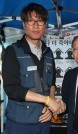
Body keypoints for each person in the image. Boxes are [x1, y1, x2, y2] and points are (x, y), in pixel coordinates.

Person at [2, 3, 65, 134]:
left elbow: (51, 83)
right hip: (20, 125)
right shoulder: (12, 51)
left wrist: (50, 106)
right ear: (24, 24)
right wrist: (47, 100)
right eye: (30, 21)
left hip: (44, 123)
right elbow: (12, 89)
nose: (36, 26)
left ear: (45, 25)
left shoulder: (49, 53)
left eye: (40, 21)